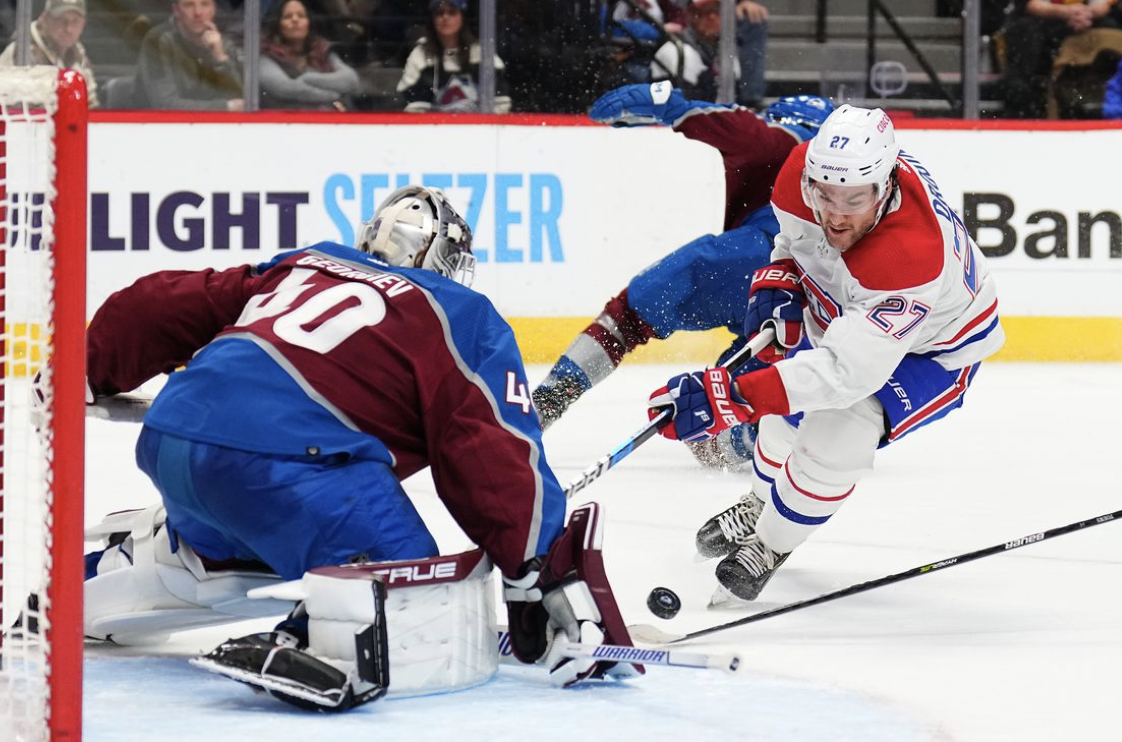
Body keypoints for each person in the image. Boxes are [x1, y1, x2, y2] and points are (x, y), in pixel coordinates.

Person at [80, 186, 637, 709]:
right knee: (413, 595)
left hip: (174, 439)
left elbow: (156, 303)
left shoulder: (304, 264)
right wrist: (534, 570)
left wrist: (88, 368)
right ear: (443, 257)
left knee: (248, 521)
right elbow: (491, 455)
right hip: (283, 465)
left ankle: (143, 567)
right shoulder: (458, 313)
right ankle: (322, 639)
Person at [648, 105, 1004, 604]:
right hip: (859, 309)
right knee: (785, 400)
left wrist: (732, 397)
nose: (836, 213)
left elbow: (845, 374)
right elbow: (797, 244)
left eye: (854, 199)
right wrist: (782, 276)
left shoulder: (909, 256)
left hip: (937, 350)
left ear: (884, 187)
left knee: (840, 429)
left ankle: (770, 545)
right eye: (826, 194)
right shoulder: (800, 175)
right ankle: (759, 501)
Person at [532, 81, 833, 471]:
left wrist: (675, 108)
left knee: (628, 318)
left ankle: (547, 402)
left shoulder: (791, 144)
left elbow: (757, 137)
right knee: (725, 420)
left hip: (756, 259)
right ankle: (769, 433)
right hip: (821, 307)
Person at [1001, 0, 1120, 118]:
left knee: (1112, 30)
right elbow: (1031, 5)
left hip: (1085, 19)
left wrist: (1086, 12)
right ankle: (1027, 112)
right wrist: (1067, 12)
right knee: (1026, 35)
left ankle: (1097, 103)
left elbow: (1103, 4)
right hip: (1039, 21)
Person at [396, 0, 511, 113]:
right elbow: (412, 106)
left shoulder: (481, 53)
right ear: (432, 19)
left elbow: (501, 103)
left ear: (462, 17)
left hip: (478, 129)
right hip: (432, 130)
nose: (445, 17)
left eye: (452, 12)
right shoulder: (420, 55)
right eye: (439, 13)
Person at [135, 0, 244, 110]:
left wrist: (220, 58)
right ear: (176, 10)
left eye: (205, 4)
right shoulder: (157, 40)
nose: (198, 12)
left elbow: (239, 100)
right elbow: (165, 106)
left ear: (213, 10)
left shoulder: (221, 43)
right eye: (189, 5)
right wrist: (225, 107)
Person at [259, 0, 360, 110]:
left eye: (301, 16)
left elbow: (350, 80)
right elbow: (285, 88)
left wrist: (307, 78)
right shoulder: (266, 55)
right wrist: (334, 97)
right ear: (277, 24)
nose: (295, 20)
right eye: (287, 16)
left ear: (308, 22)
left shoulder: (321, 50)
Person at [0, 0, 100, 108]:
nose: (68, 29)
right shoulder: (21, 52)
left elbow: (91, 103)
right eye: (61, 20)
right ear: (44, 19)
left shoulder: (79, 55)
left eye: (75, 21)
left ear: (83, 24)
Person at [651, 0, 737, 102]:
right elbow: (683, 109)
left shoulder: (727, 52)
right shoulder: (676, 51)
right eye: (705, 12)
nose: (712, 17)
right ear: (690, 15)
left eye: (717, 11)